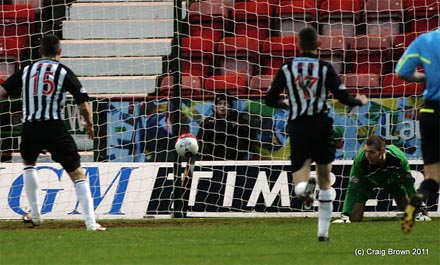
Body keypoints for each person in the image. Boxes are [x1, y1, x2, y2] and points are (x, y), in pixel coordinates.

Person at [265, 27, 368, 242]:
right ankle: (323, 233)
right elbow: (344, 97)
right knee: (325, 179)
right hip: (321, 125)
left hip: (299, 127)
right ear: (318, 45)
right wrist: (360, 101)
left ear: (298, 45)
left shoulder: (287, 68)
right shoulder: (325, 67)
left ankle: (305, 188)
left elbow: (269, 99)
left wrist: (285, 103)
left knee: (300, 186)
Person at [0, 34, 106, 231]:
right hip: (54, 127)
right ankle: (91, 223)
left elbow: (3, 91)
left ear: (40, 51)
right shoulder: (63, 71)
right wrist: (89, 124)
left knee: (29, 164)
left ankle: (36, 214)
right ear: (60, 52)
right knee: (77, 173)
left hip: (30, 126)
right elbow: (82, 103)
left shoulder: (26, 70)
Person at [395, 27, 440, 234]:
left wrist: (424, 78)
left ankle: (416, 202)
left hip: (431, 110)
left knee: (432, 176)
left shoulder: (426, 40)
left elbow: (402, 71)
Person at [332, 135, 430, 223]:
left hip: (392, 181)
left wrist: (418, 208)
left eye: (371, 152)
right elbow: (352, 189)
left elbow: (408, 184)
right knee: (355, 218)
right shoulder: (360, 161)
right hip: (367, 183)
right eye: (366, 151)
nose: (367, 155)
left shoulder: (398, 159)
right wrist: (345, 214)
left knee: (408, 211)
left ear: (382, 151)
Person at [197, 93, 250, 160]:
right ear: (216, 106)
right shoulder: (208, 122)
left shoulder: (240, 121)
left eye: (225, 103)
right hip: (211, 159)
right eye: (219, 103)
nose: (222, 106)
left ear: (230, 106)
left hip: (234, 159)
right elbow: (200, 141)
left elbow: (246, 141)